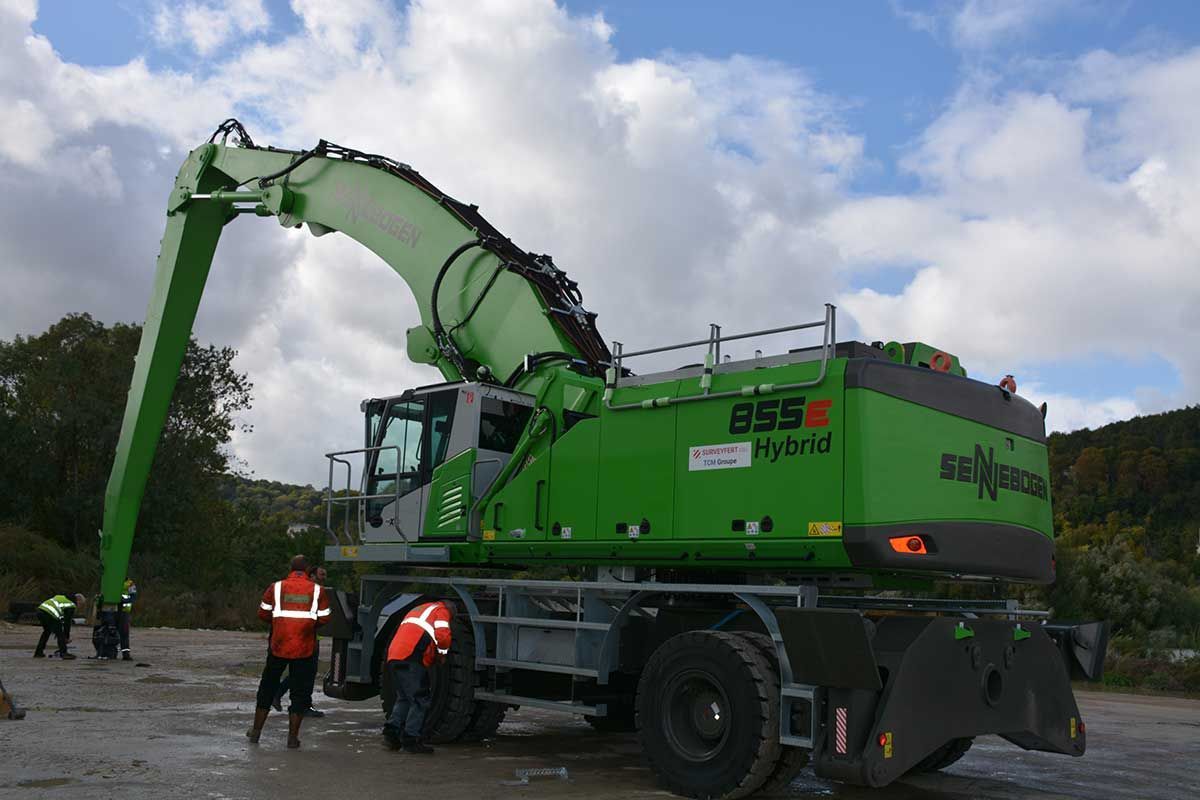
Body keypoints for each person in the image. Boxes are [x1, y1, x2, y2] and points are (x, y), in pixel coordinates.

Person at [246, 555, 331, 749]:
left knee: (267, 688)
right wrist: (308, 626)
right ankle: (292, 738)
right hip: (304, 648)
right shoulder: (318, 590)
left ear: (291, 568)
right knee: (299, 693)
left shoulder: (276, 587)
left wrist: (280, 625)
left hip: (278, 645)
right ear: (308, 569)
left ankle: (256, 732)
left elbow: (263, 613)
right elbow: (325, 618)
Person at [381, 599, 454, 754]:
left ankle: (391, 735)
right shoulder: (442, 610)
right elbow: (443, 636)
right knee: (420, 699)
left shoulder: (420, 609)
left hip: (395, 655)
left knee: (404, 698)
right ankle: (411, 740)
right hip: (411, 657)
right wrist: (442, 654)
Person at [273, 565, 327, 717]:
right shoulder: (311, 592)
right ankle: (299, 704)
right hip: (305, 639)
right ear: (312, 576)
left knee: (305, 673)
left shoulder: (317, 592)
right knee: (304, 673)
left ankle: (294, 701)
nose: (324, 578)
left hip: (310, 638)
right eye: (321, 574)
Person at [34, 593, 84, 659]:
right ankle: (64, 653)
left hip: (40, 611)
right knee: (60, 633)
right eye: (81, 604)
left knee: (46, 632)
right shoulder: (71, 605)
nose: (80, 606)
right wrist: (66, 636)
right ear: (78, 600)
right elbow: (67, 622)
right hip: (49, 614)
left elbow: (62, 618)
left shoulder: (63, 598)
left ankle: (38, 652)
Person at [117, 578, 138, 661]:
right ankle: (108, 653)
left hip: (124, 611)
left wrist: (124, 600)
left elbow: (133, 596)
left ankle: (126, 654)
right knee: (110, 631)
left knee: (124, 632)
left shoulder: (129, 583)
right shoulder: (111, 579)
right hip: (112, 610)